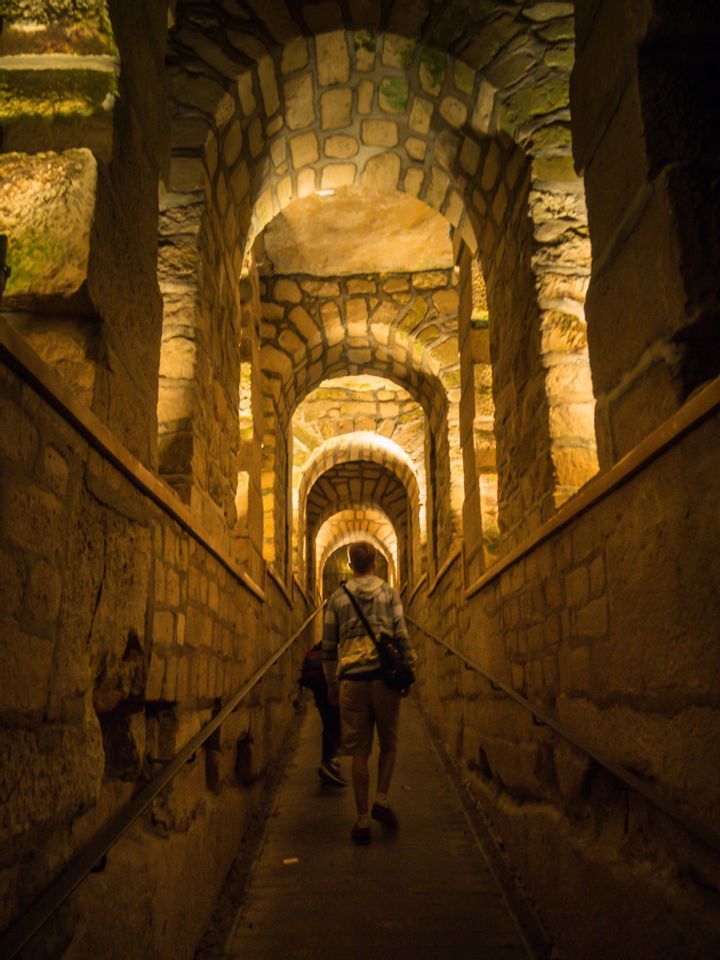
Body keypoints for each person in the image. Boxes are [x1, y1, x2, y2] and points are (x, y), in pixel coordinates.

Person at [321, 542, 416, 845]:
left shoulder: (337, 598)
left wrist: (332, 684)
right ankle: (382, 800)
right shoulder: (388, 593)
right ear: (375, 562)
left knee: (358, 752)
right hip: (384, 678)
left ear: (350, 565)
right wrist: (410, 666)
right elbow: (400, 634)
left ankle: (362, 820)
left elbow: (327, 647)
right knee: (388, 744)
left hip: (352, 679)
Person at [298, 641, 347, 787]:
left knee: (328, 722)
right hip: (330, 680)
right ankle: (330, 763)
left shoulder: (325, 639)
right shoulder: (342, 636)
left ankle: (328, 762)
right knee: (336, 722)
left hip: (319, 681)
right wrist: (333, 685)